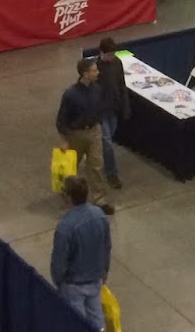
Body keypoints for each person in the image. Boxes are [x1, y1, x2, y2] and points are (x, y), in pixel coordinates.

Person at [51, 175, 111, 332]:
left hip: (73, 285)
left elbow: (59, 262)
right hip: (95, 280)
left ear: (69, 197)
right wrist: (104, 272)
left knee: (74, 324)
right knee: (97, 322)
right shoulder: (99, 215)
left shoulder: (65, 227)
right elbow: (106, 247)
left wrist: (59, 282)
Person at [55, 58, 109, 195]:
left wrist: (99, 124)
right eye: (94, 71)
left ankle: (100, 197)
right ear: (85, 74)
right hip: (76, 134)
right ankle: (68, 192)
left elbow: (101, 108)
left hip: (94, 131)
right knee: (72, 165)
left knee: (96, 165)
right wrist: (65, 140)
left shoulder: (98, 89)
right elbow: (61, 119)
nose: (98, 72)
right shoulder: (70, 94)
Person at [93, 40, 129, 190]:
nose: (111, 57)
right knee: (107, 142)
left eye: (113, 54)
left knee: (108, 139)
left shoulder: (117, 63)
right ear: (101, 53)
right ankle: (111, 173)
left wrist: (125, 106)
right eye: (108, 55)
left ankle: (96, 158)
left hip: (113, 109)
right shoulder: (94, 68)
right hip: (100, 112)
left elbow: (121, 85)